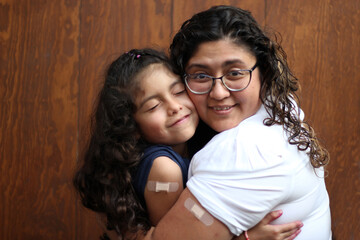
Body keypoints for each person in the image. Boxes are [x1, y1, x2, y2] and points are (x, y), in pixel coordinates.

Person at [143, 5, 331, 240]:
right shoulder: (280, 104)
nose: (219, 93)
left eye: (235, 73)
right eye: (201, 76)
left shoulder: (243, 151)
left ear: (263, 72)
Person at [73, 48, 303, 240]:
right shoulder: (165, 169)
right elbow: (176, 235)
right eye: (153, 106)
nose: (174, 107)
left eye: (179, 91)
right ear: (130, 126)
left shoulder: (200, 139)